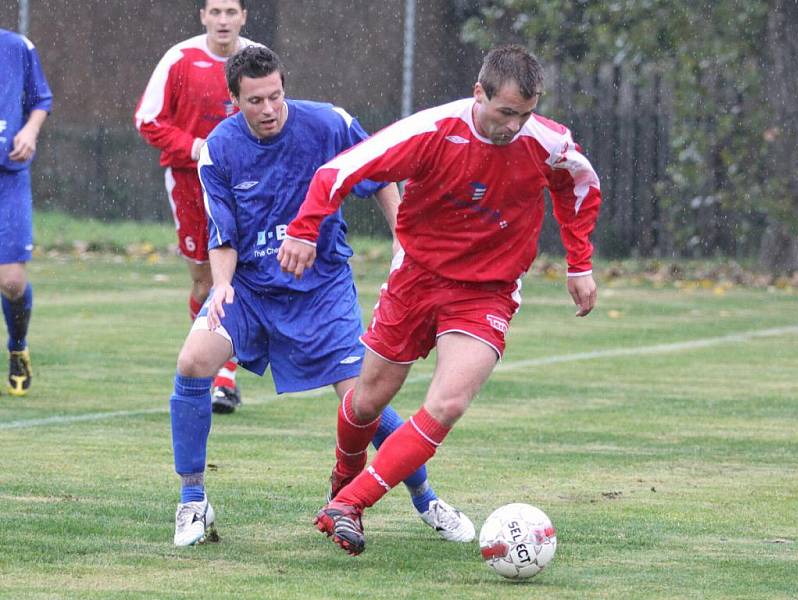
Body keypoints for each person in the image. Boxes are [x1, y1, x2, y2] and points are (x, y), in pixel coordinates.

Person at [278, 44, 602, 556]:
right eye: (505, 113)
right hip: (418, 279)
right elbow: (339, 171)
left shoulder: (548, 142)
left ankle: (351, 503)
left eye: (525, 113)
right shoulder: (432, 131)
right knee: (367, 401)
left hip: (488, 291)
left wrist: (579, 262)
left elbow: (578, 187)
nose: (515, 125)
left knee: (448, 402)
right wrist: (303, 228)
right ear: (479, 93)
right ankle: (343, 479)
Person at [169, 45, 475, 547]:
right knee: (192, 362)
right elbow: (221, 234)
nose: (268, 110)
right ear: (233, 100)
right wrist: (221, 285)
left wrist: (405, 244)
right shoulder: (218, 149)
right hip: (248, 288)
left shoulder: (327, 124)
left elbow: (380, 173)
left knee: (362, 401)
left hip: (321, 290)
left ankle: (429, 501)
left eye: (275, 97)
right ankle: (193, 502)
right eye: (254, 101)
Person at [135, 0, 255, 413]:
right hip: (189, 183)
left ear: (243, 17)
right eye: (215, 12)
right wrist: (194, 146)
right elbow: (148, 120)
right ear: (203, 16)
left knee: (239, 275)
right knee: (205, 282)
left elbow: (275, 114)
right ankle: (203, 362)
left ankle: (226, 379)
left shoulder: (254, 60)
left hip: (242, 185)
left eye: (230, 12)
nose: (223, 20)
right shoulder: (180, 58)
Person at [0, 28, 53, 397]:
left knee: (12, 282)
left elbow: (41, 98)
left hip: (8, 178)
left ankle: (18, 345)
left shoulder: (16, 47)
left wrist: (30, 132)